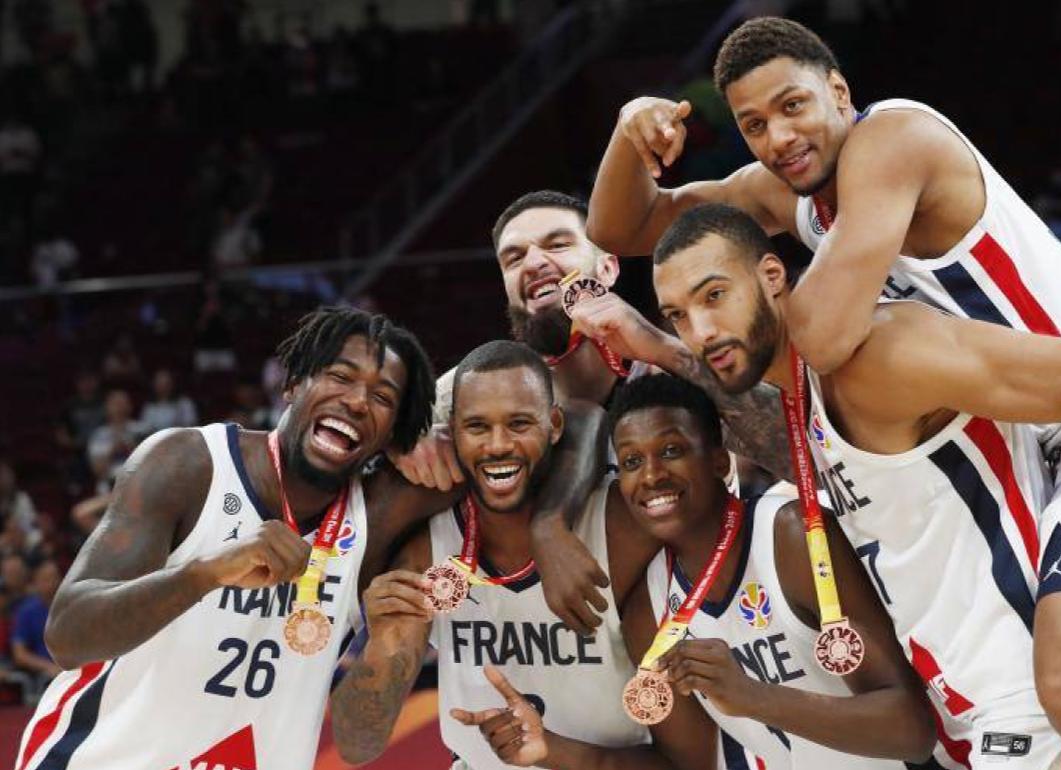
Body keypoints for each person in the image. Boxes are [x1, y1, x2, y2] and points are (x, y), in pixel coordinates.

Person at [588, 16, 1061, 765]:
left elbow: (820, 338)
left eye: (793, 106)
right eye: (754, 124)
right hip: (1040, 434)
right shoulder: (799, 193)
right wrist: (630, 133)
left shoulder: (893, 141)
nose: (779, 137)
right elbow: (621, 227)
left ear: (839, 90)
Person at [637, 203, 1061, 768]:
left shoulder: (878, 354)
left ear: (771, 276)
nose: (701, 331)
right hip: (975, 715)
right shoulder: (805, 397)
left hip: (1044, 705)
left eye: (714, 296)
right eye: (678, 315)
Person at [16, 307, 441, 770]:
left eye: (383, 397)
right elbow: (67, 636)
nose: (358, 401)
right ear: (293, 383)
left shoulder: (376, 519)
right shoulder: (189, 464)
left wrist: (437, 422)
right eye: (340, 376)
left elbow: (497, 417)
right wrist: (206, 573)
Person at [394, 190, 794, 636]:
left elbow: (808, 455)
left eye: (558, 244)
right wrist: (405, 437)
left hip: (705, 635)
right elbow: (375, 431)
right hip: (554, 654)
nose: (534, 263)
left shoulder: (680, 369)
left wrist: (665, 350)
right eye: (514, 258)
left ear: (607, 267)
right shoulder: (472, 395)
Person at [331, 341, 713, 770]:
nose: (498, 445)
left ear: (553, 425)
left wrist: (552, 749)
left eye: (518, 424)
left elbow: (691, 763)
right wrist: (380, 644)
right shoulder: (427, 553)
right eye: (477, 426)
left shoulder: (622, 531)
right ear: (451, 430)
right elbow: (356, 744)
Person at [609, 374, 932, 767]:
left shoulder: (793, 538)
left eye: (672, 450)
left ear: (718, 460)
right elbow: (689, 763)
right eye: (631, 461)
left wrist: (752, 697)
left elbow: (911, 731)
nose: (651, 475)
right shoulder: (648, 610)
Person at [10, 561, 62, 686]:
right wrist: (48, 667)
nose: (53, 583)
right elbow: (19, 655)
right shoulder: (26, 612)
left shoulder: (72, 607)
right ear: (35, 584)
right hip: (44, 676)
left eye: (56, 577)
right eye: (46, 579)